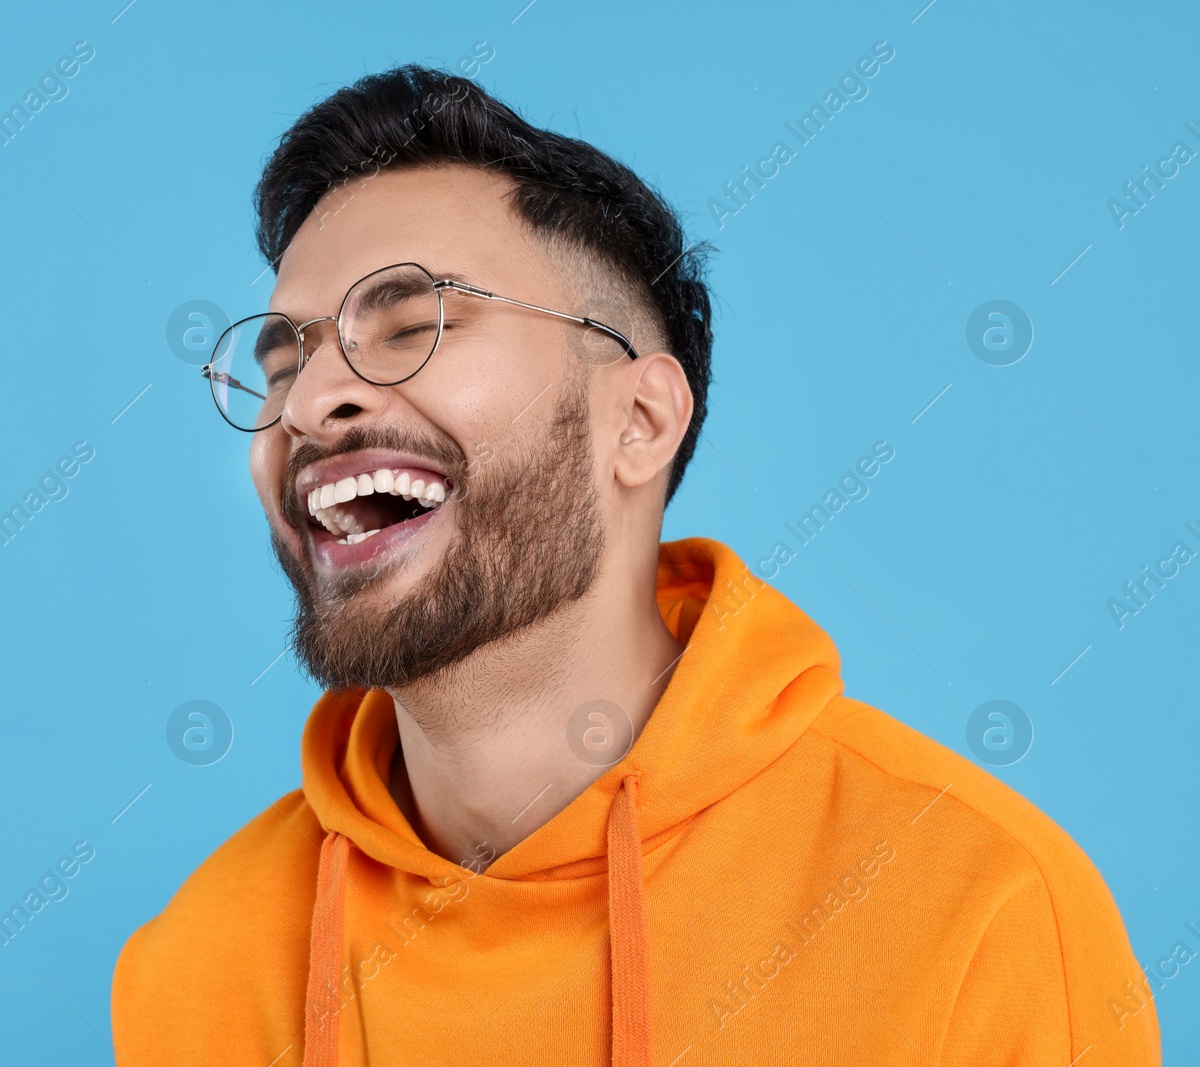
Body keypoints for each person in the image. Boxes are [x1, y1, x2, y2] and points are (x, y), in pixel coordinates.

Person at [111, 65, 1161, 1066]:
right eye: (283, 362)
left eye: (411, 324)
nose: (305, 404)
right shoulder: (197, 962)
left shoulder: (977, 901)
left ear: (640, 420)